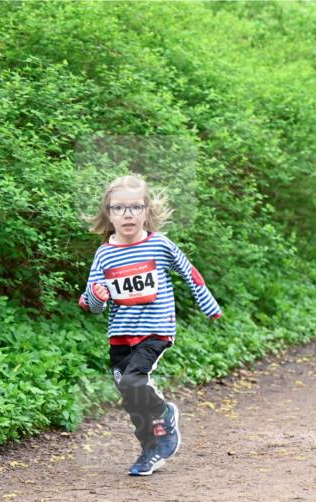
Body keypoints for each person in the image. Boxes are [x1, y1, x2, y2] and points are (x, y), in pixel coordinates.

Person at [79, 175, 222, 476]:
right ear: (108, 213)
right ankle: (150, 449)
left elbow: (189, 272)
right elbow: (91, 304)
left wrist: (209, 306)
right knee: (130, 396)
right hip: (120, 335)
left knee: (133, 381)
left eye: (135, 207)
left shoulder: (159, 245)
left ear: (147, 211)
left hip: (155, 330)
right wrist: (96, 295)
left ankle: (164, 413)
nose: (127, 214)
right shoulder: (104, 254)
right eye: (119, 208)